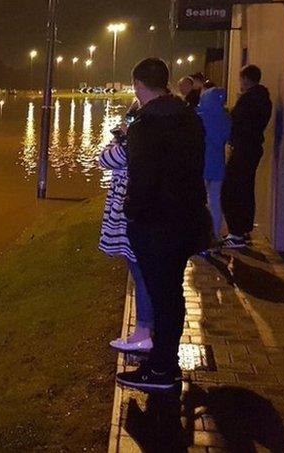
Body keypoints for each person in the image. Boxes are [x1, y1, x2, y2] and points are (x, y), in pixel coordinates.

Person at [117, 58, 211, 392]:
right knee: (172, 294)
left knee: (163, 297)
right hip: (188, 220)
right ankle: (163, 365)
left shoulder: (144, 125)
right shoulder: (189, 118)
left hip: (156, 226)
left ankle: (160, 372)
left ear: (138, 85)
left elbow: (141, 181)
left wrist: (131, 213)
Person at [99, 101, 153, 353]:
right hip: (148, 212)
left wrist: (121, 138)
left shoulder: (135, 144)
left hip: (134, 212)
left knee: (140, 271)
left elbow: (105, 159)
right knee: (143, 270)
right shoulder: (149, 140)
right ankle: (147, 328)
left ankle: (143, 332)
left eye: (132, 120)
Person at [221, 65, 272, 249]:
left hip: (244, 149)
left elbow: (237, 122)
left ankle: (236, 233)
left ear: (246, 79)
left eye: (241, 79)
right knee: (245, 189)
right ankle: (243, 230)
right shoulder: (264, 99)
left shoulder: (250, 100)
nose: (240, 83)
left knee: (232, 190)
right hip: (252, 148)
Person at [196, 83, 231, 241]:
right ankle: (215, 234)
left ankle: (201, 235)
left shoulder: (199, 116)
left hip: (201, 165)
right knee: (215, 201)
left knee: (198, 202)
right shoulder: (225, 118)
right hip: (218, 165)